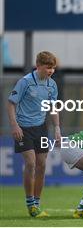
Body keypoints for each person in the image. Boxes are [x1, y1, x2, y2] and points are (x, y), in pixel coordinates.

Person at [7, 51, 62, 218]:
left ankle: (36, 204)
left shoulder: (52, 85)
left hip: (41, 127)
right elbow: (10, 104)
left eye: (53, 68)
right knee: (30, 163)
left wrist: (57, 128)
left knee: (42, 165)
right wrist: (14, 125)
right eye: (48, 67)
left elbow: (53, 108)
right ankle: (30, 203)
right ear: (38, 66)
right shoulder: (25, 82)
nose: (51, 71)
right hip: (24, 128)